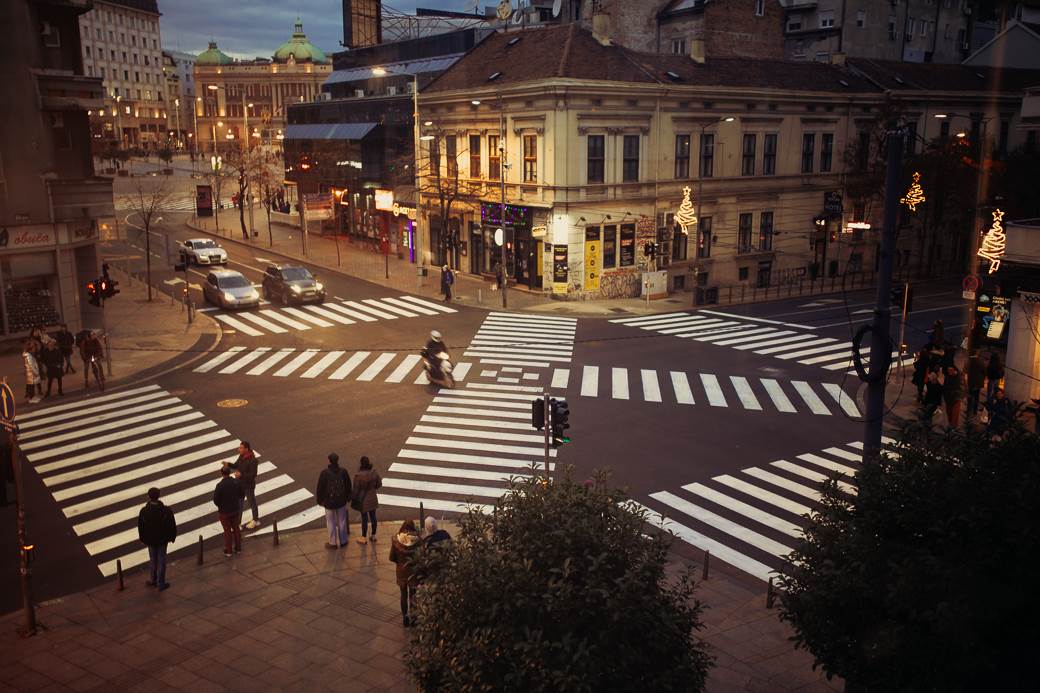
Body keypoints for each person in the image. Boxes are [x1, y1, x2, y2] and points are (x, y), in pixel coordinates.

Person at [137, 487, 177, 591]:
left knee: (153, 559)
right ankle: (161, 583)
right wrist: (172, 537)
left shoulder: (144, 511)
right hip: (162, 539)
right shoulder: (166, 510)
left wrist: (143, 539)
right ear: (159, 496)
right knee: (161, 560)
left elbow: (141, 526)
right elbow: (172, 525)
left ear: (148, 497)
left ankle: (153, 580)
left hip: (150, 540)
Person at [389, 520, 421, 626]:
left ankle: (405, 617)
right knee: (413, 595)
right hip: (413, 572)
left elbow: (392, 557)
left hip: (401, 571)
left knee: (403, 594)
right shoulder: (418, 541)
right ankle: (414, 617)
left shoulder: (396, 541)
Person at [315, 452, 351, 549]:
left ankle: (333, 542)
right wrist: (348, 497)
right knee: (342, 521)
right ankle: (343, 540)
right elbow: (348, 485)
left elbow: (320, 488)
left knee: (330, 522)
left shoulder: (324, 473)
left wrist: (320, 500)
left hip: (329, 502)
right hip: (341, 501)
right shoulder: (343, 471)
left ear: (329, 460)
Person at [213, 464, 244, 557]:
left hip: (224, 512)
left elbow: (216, 500)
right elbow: (241, 494)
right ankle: (238, 548)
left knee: (227, 531)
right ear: (230, 473)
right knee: (236, 529)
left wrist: (221, 505)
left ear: (221, 474)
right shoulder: (236, 482)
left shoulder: (220, 485)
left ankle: (229, 551)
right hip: (235, 509)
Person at [231, 441, 260, 530]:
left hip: (248, 486)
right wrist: (228, 465)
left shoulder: (253, 460)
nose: (238, 449)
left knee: (252, 502)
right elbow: (236, 465)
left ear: (246, 449)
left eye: (241, 448)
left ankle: (255, 520)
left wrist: (241, 475)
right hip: (240, 484)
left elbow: (253, 475)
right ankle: (238, 523)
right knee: (239, 504)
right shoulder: (241, 456)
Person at [353, 456, 382, 545]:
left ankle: (363, 537)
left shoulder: (358, 476)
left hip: (363, 500)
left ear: (361, 464)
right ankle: (373, 535)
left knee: (364, 518)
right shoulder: (374, 473)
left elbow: (356, 490)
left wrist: (353, 498)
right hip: (373, 498)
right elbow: (379, 484)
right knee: (373, 516)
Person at [966, 352, 986, 420]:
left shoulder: (969, 361)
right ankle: (974, 411)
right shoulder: (981, 362)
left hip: (971, 382)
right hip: (978, 382)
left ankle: (969, 411)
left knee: (970, 396)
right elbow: (984, 371)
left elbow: (965, 370)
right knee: (976, 397)